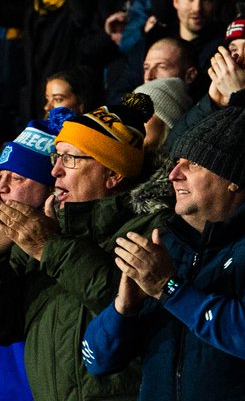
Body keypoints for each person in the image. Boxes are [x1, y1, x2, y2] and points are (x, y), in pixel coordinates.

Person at [81, 106, 245, 400]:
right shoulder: (167, 245)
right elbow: (97, 361)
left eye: (193, 164)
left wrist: (169, 287)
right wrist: (123, 310)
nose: (173, 174)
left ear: (233, 179)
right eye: (176, 162)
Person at [0, 94, 171, 401]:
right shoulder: (49, 226)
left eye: (70, 158)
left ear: (113, 173)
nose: (55, 172)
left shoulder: (153, 227)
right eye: (56, 158)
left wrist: (51, 247)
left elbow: (131, 311)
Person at [0, 111, 63, 401]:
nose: (2, 187)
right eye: (0, 175)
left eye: (17, 177)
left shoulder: (63, 244)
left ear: (49, 189)